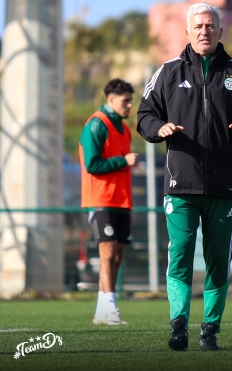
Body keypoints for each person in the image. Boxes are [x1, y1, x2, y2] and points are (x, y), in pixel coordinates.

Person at [137, 3, 232, 351]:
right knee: (180, 254)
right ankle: (178, 325)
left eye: (210, 26)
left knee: (218, 260)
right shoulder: (168, 72)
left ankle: (210, 330)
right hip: (181, 184)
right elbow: (145, 113)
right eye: (198, 26)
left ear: (220, 31)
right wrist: (158, 128)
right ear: (188, 32)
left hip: (224, 185)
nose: (204, 31)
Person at [79, 78, 138, 324]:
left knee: (117, 255)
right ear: (111, 99)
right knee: (107, 253)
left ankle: (102, 311)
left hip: (122, 201)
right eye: (125, 101)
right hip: (100, 199)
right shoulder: (96, 124)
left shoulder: (124, 129)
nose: (129, 105)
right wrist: (123, 161)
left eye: (131, 100)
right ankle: (110, 309)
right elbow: (92, 164)